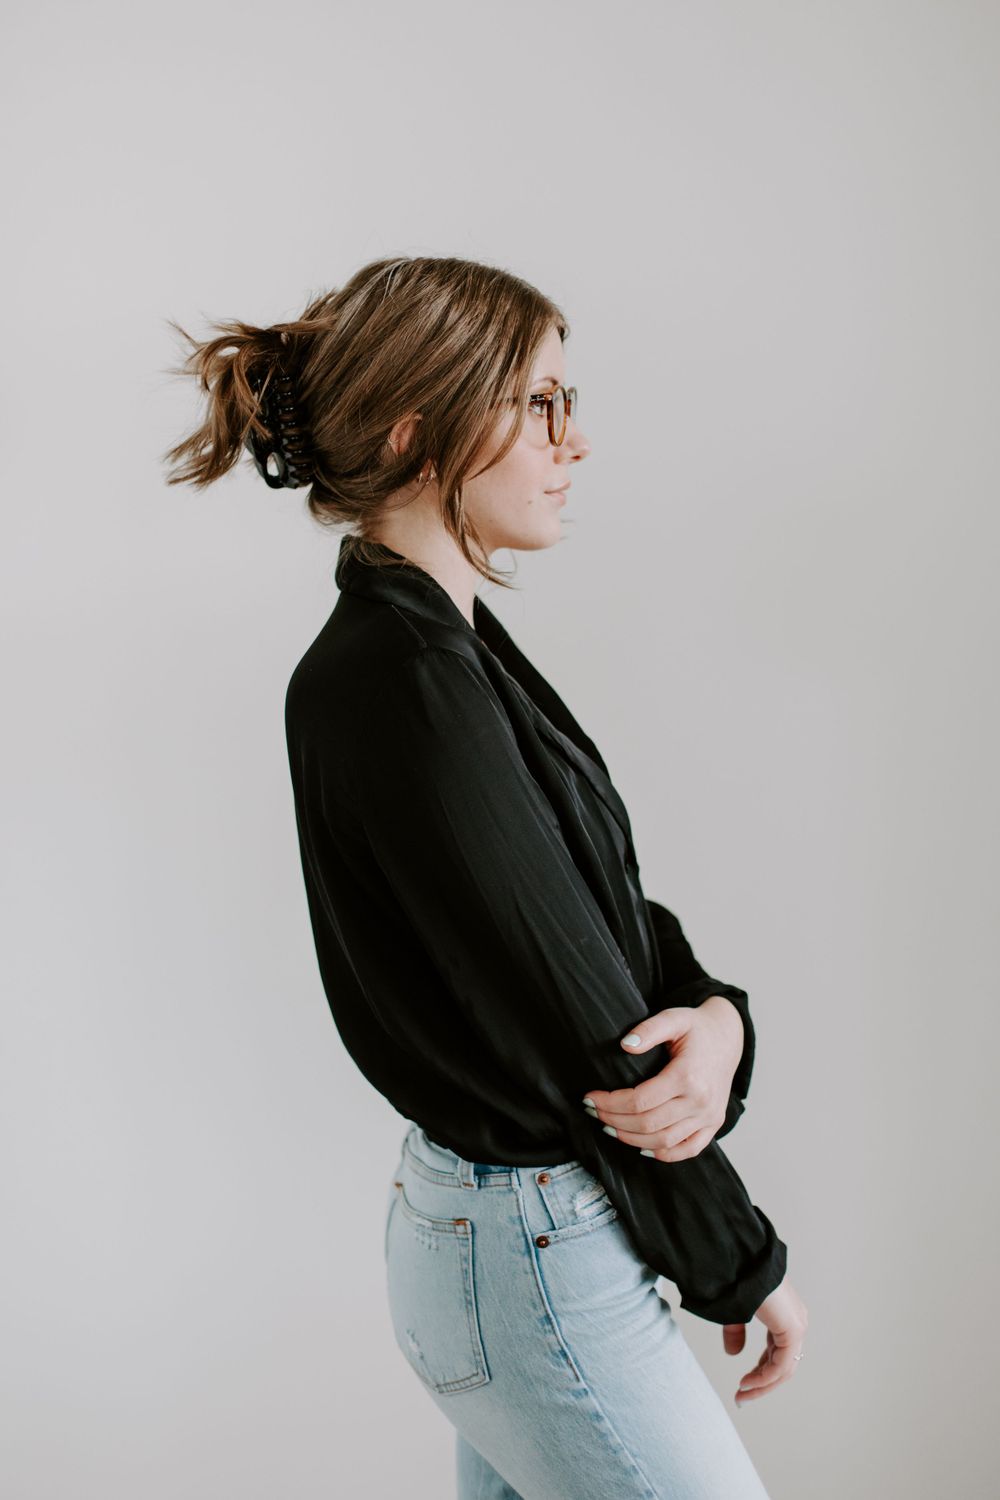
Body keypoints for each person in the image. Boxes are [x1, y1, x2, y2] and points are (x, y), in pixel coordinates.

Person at [163, 254, 807, 1498]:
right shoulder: (404, 681)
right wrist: (744, 1265)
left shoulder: (441, 648)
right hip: (531, 1245)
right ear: (422, 431)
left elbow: (598, 909)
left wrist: (721, 1019)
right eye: (540, 405)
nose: (574, 444)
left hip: (516, 1237)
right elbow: (589, 1022)